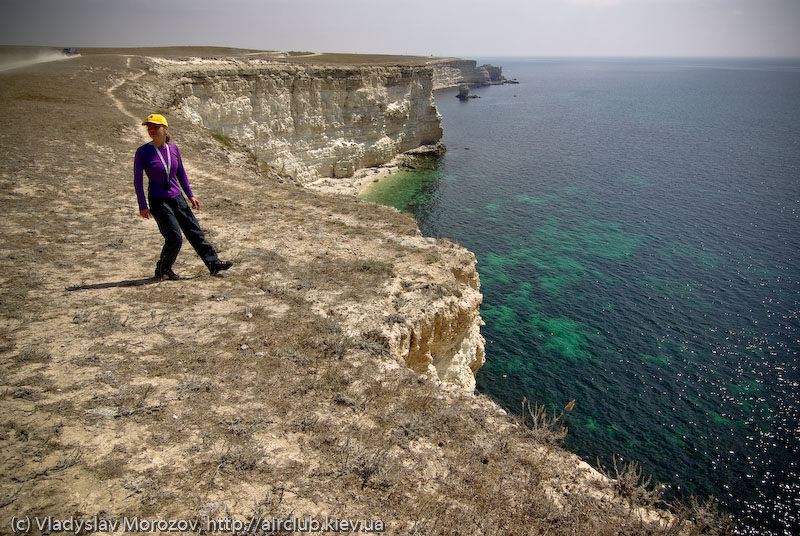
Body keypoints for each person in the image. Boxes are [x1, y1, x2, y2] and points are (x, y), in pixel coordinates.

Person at [134, 113, 233, 280]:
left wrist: (190, 195)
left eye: (155, 126)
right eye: (149, 127)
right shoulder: (143, 152)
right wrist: (142, 205)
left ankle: (213, 263)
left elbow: (181, 173)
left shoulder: (173, 148)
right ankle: (163, 270)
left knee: (195, 231)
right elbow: (137, 181)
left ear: (165, 129)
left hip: (177, 197)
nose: (152, 130)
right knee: (174, 238)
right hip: (158, 200)